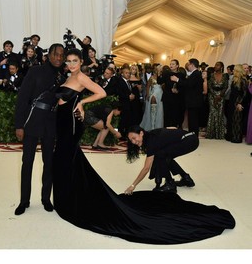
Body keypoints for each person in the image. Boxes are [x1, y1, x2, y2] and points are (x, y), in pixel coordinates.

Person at [52, 51, 235, 245]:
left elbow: (101, 93)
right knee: (64, 160)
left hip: (71, 124)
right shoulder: (68, 76)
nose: (71, 64)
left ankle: (68, 199)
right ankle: (66, 197)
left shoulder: (80, 77)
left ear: (81, 62)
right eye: (69, 61)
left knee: (65, 158)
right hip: (62, 121)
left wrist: (81, 102)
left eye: (75, 61)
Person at [14, 43, 65, 216]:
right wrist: (19, 125)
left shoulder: (63, 76)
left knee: (49, 163)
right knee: (27, 162)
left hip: (50, 123)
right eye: (55, 54)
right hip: (32, 122)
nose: (58, 58)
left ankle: (45, 199)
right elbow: (22, 99)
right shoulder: (35, 71)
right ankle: (24, 201)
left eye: (61, 55)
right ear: (48, 55)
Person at [125, 126, 197, 193]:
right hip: (191, 137)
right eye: (131, 140)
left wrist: (133, 185)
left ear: (141, 133)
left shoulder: (151, 142)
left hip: (189, 141)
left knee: (160, 155)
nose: (133, 142)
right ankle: (186, 179)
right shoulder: (151, 134)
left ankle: (170, 184)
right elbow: (171, 128)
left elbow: (146, 168)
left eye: (134, 138)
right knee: (165, 155)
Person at [171, 58, 204, 136]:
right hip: (193, 101)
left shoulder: (196, 74)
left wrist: (177, 80)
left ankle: (193, 136)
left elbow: (189, 84)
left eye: (188, 64)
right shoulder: (195, 73)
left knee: (193, 120)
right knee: (192, 120)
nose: (187, 66)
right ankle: (192, 135)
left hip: (194, 101)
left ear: (192, 65)